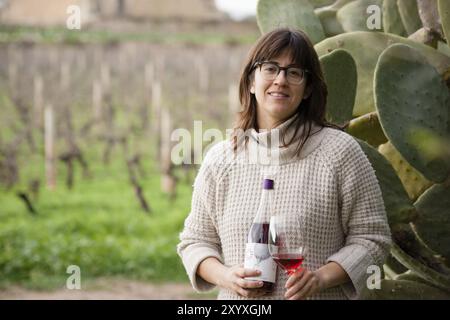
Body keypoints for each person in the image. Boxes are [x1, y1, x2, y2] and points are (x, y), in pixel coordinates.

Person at [177, 28, 392, 300]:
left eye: (294, 72)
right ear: (251, 82)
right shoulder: (221, 159)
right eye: (270, 68)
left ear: (307, 89)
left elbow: (372, 238)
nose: (281, 80)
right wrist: (226, 277)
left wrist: (319, 278)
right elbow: (195, 242)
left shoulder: (340, 152)